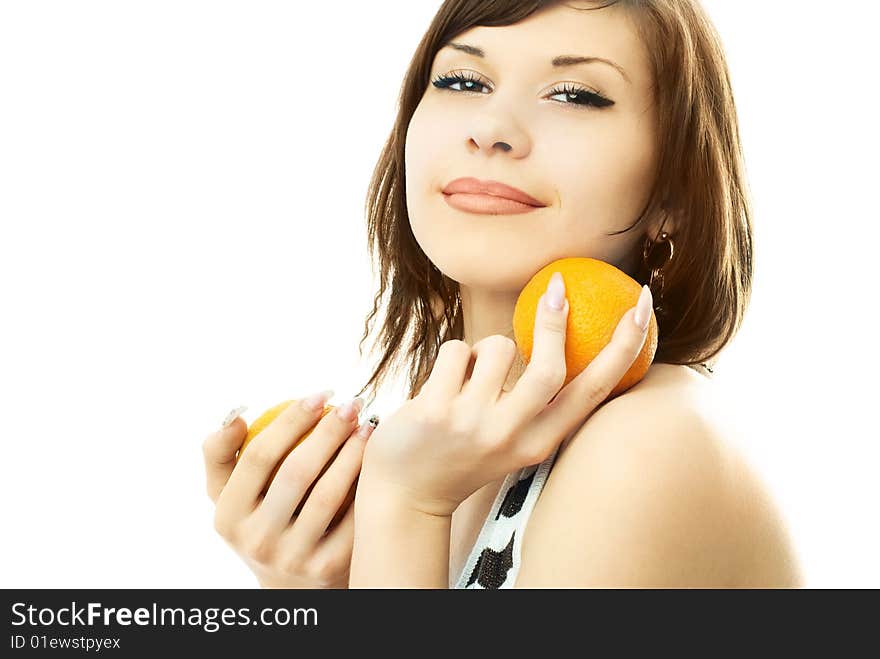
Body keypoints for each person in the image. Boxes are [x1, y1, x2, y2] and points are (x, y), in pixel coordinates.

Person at [202, 0, 804, 588]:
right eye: (463, 80)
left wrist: (406, 504)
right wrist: (312, 591)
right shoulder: (435, 454)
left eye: (574, 95)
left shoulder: (648, 445)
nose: (491, 129)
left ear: (673, 194)